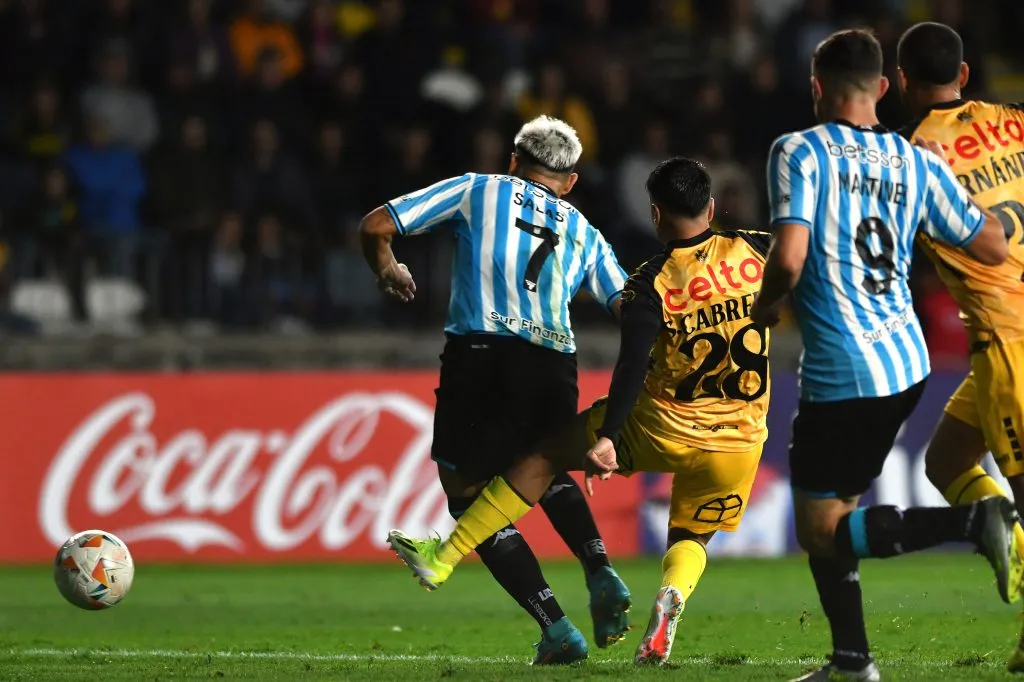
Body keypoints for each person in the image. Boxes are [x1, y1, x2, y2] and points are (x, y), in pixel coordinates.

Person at [388, 157, 773, 666]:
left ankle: (445, 556)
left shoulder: (649, 283)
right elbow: (805, 265)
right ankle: (672, 596)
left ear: (656, 215)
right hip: (741, 441)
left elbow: (632, 366)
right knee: (692, 534)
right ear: (714, 206)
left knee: (544, 454)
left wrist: (609, 436)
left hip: (660, 427)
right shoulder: (758, 247)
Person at [747, 29, 1016, 682]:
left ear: (817, 87)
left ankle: (974, 521)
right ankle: (851, 661)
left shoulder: (798, 151)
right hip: (907, 364)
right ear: (884, 86)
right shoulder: (916, 161)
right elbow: (989, 245)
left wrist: (765, 305)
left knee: (819, 527)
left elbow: (788, 255)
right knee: (835, 513)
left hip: (843, 368)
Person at [359, 116, 630, 664]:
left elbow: (375, 226)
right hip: (557, 363)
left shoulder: (478, 188)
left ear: (513, 160)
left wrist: (386, 267)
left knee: (466, 492)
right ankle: (599, 568)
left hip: (483, 355)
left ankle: (557, 628)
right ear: (571, 181)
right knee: (542, 466)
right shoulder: (585, 230)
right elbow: (629, 307)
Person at [895, 21, 1024, 672]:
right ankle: (1011, 534)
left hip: (1009, 336)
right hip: (1000, 337)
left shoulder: (915, 160)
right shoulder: (1012, 119)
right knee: (945, 459)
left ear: (899, 82)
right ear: (965, 75)